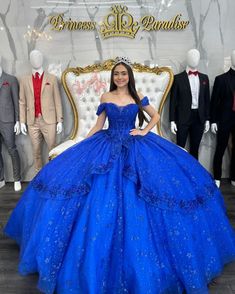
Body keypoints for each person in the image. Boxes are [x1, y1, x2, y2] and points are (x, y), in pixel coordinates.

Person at [4, 57, 235, 294]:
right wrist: (82, 143)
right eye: (117, 74)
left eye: (124, 74)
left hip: (135, 145)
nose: (120, 77)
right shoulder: (106, 97)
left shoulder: (137, 96)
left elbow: (154, 116)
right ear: (112, 77)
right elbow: (99, 124)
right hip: (107, 142)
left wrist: (144, 130)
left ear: (129, 76)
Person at [20, 50, 63, 173]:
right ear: (30, 60)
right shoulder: (24, 80)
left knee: (52, 149)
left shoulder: (52, 79)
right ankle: (38, 175)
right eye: (33, 57)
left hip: (49, 120)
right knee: (36, 151)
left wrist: (59, 120)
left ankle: (53, 174)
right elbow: (22, 101)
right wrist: (22, 121)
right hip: (32, 121)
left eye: (38, 56)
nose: (35, 59)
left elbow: (57, 101)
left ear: (42, 59)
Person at [170, 49, 210, 160]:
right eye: (192, 56)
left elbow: (207, 100)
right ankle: (180, 174)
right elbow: (173, 101)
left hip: (199, 118)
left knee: (195, 148)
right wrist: (172, 120)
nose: (195, 59)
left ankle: (194, 174)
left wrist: (207, 119)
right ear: (187, 59)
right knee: (180, 148)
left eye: (197, 56)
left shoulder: (204, 78)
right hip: (182, 117)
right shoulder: (178, 78)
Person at [211, 50, 235, 188]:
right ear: (231, 59)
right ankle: (217, 177)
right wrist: (213, 120)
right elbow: (215, 102)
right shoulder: (221, 79)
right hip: (224, 119)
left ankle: (233, 176)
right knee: (220, 148)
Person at [0, 55, 21, 191]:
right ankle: (1, 178)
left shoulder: (10, 80)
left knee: (12, 149)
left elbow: (16, 102)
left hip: (7, 121)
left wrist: (18, 120)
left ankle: (17, 179)